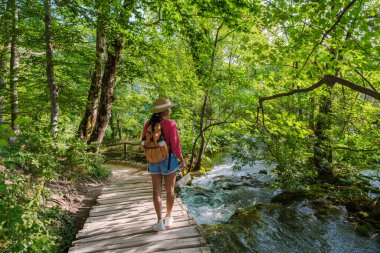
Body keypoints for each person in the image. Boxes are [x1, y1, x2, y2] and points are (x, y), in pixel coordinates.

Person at [141, 98, 186, 231]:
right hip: (168, 160)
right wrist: (181, 159)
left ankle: (159, 222)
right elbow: (175, 145)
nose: (170, 109)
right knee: (170, 190)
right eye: (168, 107)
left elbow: (143, 142)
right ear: (164, 111)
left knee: (156, 192)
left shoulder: (148, 123)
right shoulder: (170, 124)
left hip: (153, 160)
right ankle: (168, 217)